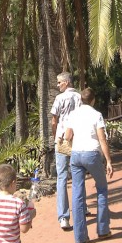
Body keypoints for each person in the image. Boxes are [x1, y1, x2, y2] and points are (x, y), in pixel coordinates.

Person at [62, 88, 114, 243]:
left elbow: (68, 136)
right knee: (102, 189)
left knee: (77, 194)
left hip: (76, 155)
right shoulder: (96, 115)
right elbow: (102, 139)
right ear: (93, 100)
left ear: (81, 100)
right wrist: (109, 160)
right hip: (92, 154)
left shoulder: (73, 114)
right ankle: (103, 229)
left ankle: (80, 237)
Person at [49, 70, 81, 231]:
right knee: (77, 176)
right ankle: (80, 210)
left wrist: (56, 135)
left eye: (59, 82)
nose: (57, 85)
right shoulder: (80, 97)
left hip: (61, 140)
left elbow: (54, 119)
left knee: (61, 177)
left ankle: (63, 217)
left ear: (67, 82)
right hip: (77, 140)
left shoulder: (59, 98)